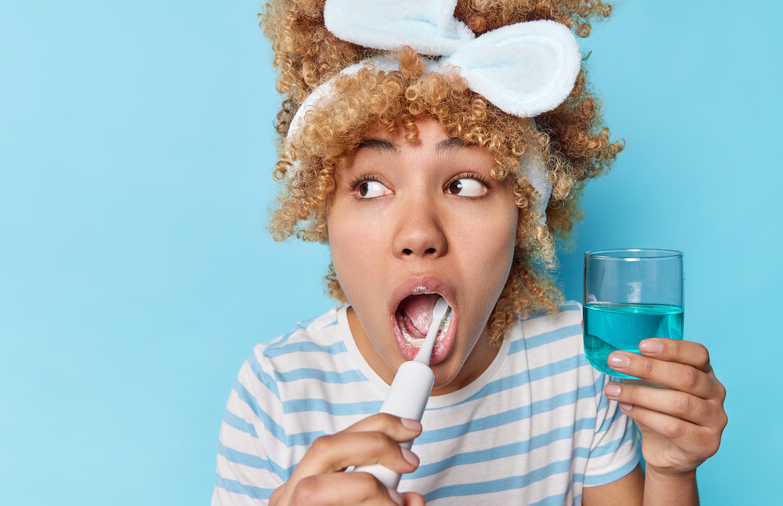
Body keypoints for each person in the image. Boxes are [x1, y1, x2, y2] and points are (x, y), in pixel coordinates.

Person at [213, 0, 727, 504]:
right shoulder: (276, 392)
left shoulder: (579, 362)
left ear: (523, 215)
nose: (419, 233)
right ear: (324, 209)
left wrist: (671, 471)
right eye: (370, 187)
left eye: (464, 185)